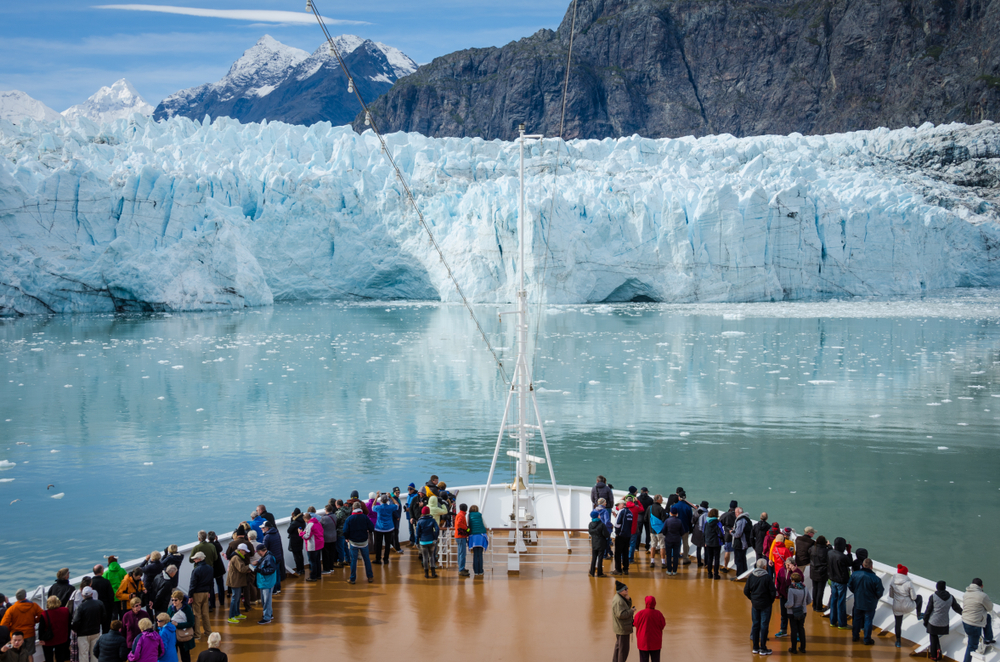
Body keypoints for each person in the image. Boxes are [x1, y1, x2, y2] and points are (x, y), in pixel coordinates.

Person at [848, 558, 884, 645]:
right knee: (868, 621)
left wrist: (856, 593)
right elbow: (880, 592)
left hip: (858, 601)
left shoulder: (855, 574)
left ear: (863, 565)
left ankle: (855, 636)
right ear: (871, 567)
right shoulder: (876, 579)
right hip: (870, 603)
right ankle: (867, 639)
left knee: (856, 619)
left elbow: (850, 585)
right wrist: (874, 598)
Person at [744, 558, 776, 656]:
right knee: (764, 625)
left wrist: (752, 599)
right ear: (765, 567)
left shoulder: (751, 577)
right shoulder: (767, 578)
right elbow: (773, 592)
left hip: (755, 604)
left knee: (755, 624)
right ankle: (763, 648)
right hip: (765, 605)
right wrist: (770, 601)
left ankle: (755, 647)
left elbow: (746, 591)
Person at [925, 580, 963, 661]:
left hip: (933, 622)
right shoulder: (951, 597)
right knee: (935, 635)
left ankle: (934, 655)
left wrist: (925, 621)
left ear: (937, 587)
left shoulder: (933, 596)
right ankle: (938, 649)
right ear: (945, 587)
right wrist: (965, 614)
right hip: (944, 624)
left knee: (932, 635)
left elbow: (928, 610)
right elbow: (957, 608)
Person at [888, 564, 922, 648]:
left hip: (897, 607)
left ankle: (898, 642)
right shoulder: (908, 583)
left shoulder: (893, 582)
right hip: (908, 607)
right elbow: (914, 597)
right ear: (905, 574)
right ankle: (919, 614)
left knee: (898, 624)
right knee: (919, 598)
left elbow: (891, 595)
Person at [962, 578, 995, 662]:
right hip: (974, 624)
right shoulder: (982, 596)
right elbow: (990, 608)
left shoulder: (966, 593)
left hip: (965, 621)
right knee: (972, 646)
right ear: (982, 586)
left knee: (987, 617)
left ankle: (988, 638)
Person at [0, 590, 42, 657]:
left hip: (16, 635)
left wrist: (11, 628)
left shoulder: (11, 609)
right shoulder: (34, 605)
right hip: (30, 633)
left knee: (16, 655)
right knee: (29, 654)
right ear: (25, 596)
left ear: (16, 597)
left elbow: (3, 624)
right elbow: (42, 615)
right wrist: (35, 621)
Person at [72, 585, 106, 662]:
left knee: (83, 654)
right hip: (96, 631)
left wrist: (76, 630)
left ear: (82, 595)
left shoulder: (80, 606)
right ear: (92, 594)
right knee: (94, 653)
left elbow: (76, 621)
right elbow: (104, 617)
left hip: (83, 634)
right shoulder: (99, 603)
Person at [344, 504, 376, 584]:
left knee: (354, 561)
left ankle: (352, 578)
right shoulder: (365, 517)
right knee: (367, 559)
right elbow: (371, 527)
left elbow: (345, 530)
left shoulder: (349, 519)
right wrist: (368, 530)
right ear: (360, 508)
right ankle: (370, 577)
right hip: (364, 542)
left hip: (353, 543)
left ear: (353, 508)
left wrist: (347, 538)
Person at [186, 553, 212, 640]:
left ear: (199, 559)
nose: (194, 560)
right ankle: (208, 632)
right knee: (205, 613)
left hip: (197, 594)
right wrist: (209, 592)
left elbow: (192, 584)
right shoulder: (210, 568)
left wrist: (190, 596)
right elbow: (211, 582)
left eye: (196, 559)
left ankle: (197, 634)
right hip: (206, 593)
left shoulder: (196, 570)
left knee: (196, 614)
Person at [827, 537, 852, 628]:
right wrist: (849, 552)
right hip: (841, 581)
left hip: (832, 580)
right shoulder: (842, 556)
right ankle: (842, 624)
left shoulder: (830, 553)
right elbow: (850, 563)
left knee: (833, 601)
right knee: (841, 602)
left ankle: (832, 621)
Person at [224, 544, 252, 624]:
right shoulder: (236, 558)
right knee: (235, 598)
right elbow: (241, 569)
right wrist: (250, 566)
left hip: (237, 580)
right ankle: (231, 616)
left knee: (237, 598)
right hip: (235, 581)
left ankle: (236, 614)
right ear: (241, 550)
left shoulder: (236, 556)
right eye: (245, 551)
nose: (245, 553)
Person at [633, 595, 665, 662]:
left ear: (645, 603)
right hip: (656, 643)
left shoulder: (639, 614)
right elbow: (663, 625)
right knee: (656, 660)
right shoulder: (659, 614)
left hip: (643, 642)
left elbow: (635, 623)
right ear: (655, 603)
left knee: (643, 660)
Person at [786, 571, 811, 654]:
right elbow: (809, 600)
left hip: (792, 613)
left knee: (794, 630)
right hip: (803, 611)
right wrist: (803, 605)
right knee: (801, 629)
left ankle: (794, 649)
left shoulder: (791, 589)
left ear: (793, 580)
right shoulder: (805, 588)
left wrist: (785, 605)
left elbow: (790, 603)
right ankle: (803, 648)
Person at [40, 595, 70, 662]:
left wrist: (41, 639)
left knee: (49, 658)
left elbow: (41, 628)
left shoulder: (44, 614)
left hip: (49, 640)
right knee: (60, 657)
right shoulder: (65, 610)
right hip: (62, 638)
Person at [166, 592, 195, 662]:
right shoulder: (170, 608)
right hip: (173, 636)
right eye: (172, 600)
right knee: (173, 655)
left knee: (185, 656)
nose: (173, 602)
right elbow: (167, 620)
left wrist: (178, 625)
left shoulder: (187, 609)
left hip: (183, 636)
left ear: (181, 600)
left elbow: (191, 623)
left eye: (175, 600)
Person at [253, 544, 277, 625]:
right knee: (265, 600)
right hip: (264, 582)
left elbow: (271, 569)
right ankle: (269, 614)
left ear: (260, 551)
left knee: (266, 600)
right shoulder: (267, 556)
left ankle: (267, 617)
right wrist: (258, 563)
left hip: (267, 582)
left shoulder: (269, 558)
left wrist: (260, 570)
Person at [612, 581, 636, 662]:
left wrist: (628, 599)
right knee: (623, 650)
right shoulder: (619, 601)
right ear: (620, 591)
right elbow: (621, 615)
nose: (627, 590)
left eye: (627, 588)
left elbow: (625, 608)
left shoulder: (621, 598)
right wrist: (632, 611)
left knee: (619, 648)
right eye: (625, 589)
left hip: (620, 627)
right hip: (622, 628)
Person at [415, 506, 440, 579]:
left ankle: (426, 574)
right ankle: (433, 573)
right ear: (429, 512)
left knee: (425, 557)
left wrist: (416, 542)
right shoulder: (432, 520)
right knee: (431, 556)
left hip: (423, 542)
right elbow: (437, 529)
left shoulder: (419, 521)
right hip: (431, 541)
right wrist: (435, 538)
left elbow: (417, 533)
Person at [299, 511, 325, 582]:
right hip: (319, 544)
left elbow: (307, 536)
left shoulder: (310, 525)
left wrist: (301, 533)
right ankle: (318, 575)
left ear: (306, 519)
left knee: (312, 561)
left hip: (313, 545)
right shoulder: (318, 523)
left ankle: (313, 576)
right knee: (317, 561)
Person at [372, 495, 397, 566]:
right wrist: (391, 497)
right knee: (387, 544)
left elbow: (372, 507)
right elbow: (397, 505)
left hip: (379, 528)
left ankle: (378, 559)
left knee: (378, 544)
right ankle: (386, 559)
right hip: (389, 528)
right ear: (387, 500)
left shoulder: (378, 508)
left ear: (381, 501)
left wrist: (376, 497)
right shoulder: (390, 507)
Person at [90, 566, 115, 633]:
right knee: (106, 628)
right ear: (102, 571)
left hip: (94, 608)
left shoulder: (91, 583)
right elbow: (111, 596)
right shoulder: (106, 582)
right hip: (106, 608)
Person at [672, 489, 693, 564]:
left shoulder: (675, 506)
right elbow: (691, 519)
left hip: (676, 528)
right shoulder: (688, 507)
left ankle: (675, 557)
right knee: (685, 543)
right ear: (685, 497)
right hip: (685, 527)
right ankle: (685, 558)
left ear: (679, 497)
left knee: (676, 543)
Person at [702, 508, 724, 580]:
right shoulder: (718, 523)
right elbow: (721, 533)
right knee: (717, 559)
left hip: (708, 543)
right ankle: (716, 574)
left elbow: (704, 532)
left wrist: (705, 541)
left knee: (710, 558)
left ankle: (709, 573)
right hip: (716, 543)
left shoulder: (706, 522)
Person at [612, 501, 633, 576]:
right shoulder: (630, 512)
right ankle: (625, 569)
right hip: (627, 535)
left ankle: (618, 569)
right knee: (625, 552)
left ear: (622, 505)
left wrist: (617, 533)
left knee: (617, 553)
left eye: (618, 505)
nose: (617, 506)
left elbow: (617, 524)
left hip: (620, 536)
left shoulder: (621, 512)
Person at [467, 505, 489, 577]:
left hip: (473, 537)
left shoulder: (469, 515)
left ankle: (476, 571)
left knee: (475, 555)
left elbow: (468, 525)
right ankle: (481, 571)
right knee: (480, 554)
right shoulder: (480, 515)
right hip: (481, 536)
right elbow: (484, 524)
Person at [206, 533, 225, 612]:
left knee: (211, 587)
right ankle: (222, 601)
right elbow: (220, 549)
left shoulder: (208, 546)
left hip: (210, 568)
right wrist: (217, 541)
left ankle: (212, 603)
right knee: (220, 585)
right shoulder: (216, 545)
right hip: (219, 568)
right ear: (215, 537)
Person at [589, 508, 611, 577]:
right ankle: (599, 573)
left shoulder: (590, 524)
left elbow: (590, 532)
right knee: (600, 558)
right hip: (601, 543)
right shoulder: (602, 524)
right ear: (597, 516)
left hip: (594, 543)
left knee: (594, 558)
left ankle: (591, 572)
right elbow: (606, 534)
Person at [646, 496, 667, 569]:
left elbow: (645, 518)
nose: (662, 500)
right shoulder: (661, 509)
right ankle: (663, 562)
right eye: (661, 499)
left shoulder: (649, 508)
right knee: (662, 546)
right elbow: (664, 519)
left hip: (652, 530)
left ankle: (652, 561)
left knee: (653, 546)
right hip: (660, 531)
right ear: (658, 500)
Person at [662, 507, 684, 576]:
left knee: (668, 555)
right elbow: (682, 532)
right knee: (676, 556)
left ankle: (669, 570)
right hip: (677, 540)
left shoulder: (667, 521)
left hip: (668, 540)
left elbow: (664, 531)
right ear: (677, 513)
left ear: (670, 513)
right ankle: (674, 571)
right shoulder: (679, 521)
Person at [732, 507, 752, 576]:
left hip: (740, 544)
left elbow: (738, 534)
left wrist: (731, 532)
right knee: (743, 559)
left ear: (738, 513)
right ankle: (744, 573)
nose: (735, 514)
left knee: (738, 560)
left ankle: (739, 575)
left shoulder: (740, 520)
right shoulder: (746, 519)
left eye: (735, 512)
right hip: (745, 544)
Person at [624, 493, 644, 564]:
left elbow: (617, 507)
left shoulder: (624, 508)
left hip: (625, 530)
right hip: (634, 529)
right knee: (632, 544)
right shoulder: (636, 508)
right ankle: (630, 559)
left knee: (625, 544)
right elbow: (642, 508)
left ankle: (623, 557)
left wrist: (622, 499)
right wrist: (638, 501)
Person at [317, 506, 338, 574]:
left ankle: (326, 569)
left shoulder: (324, 518)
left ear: (326, 510)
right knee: (332, 553)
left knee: (326, 554)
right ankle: (331, 567)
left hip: (326, 538)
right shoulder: (334, 516)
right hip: (334, 537)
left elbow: (319, 526)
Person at [719, 500, 738, 572]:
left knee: (727, 551)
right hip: (737, 536)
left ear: (730, 507)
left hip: (728, 536)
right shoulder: (738, 515)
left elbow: (719, 524)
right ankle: (737, 566)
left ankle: (725, 566)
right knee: (737, 552)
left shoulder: (726, 515)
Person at [286, 510, 305, 577]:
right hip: (300, 539)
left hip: (294, 541)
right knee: (300, 555)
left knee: (296, 556)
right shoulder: (303, 520)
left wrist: (292, 519)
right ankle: (302, 569)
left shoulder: (295, 522)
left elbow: (289, 530)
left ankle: (299, 569)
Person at [454, 504, 471, 577]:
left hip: (458, 536)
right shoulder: (461, 515)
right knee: (462, 553)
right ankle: (461, 569)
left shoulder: (459, 514)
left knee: (460, 553)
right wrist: (467, 528)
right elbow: (459, 523)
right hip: (461, 536)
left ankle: (461, 568)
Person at [691, 501, 708, 567]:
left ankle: (699, 562)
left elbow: (692, 521)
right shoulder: (707, 513)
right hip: (705, 532)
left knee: (698, 547)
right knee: (706, 548)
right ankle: (706, 563)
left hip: (697, 531)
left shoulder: (696, 512)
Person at [637, 488, 654, 552]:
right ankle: (647, 546)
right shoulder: (650, 499)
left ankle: (636, 547)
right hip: (647, 517)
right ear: (646, 492)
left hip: (639, 517)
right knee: (648, 532)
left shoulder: (638, 498)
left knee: (638, 533)